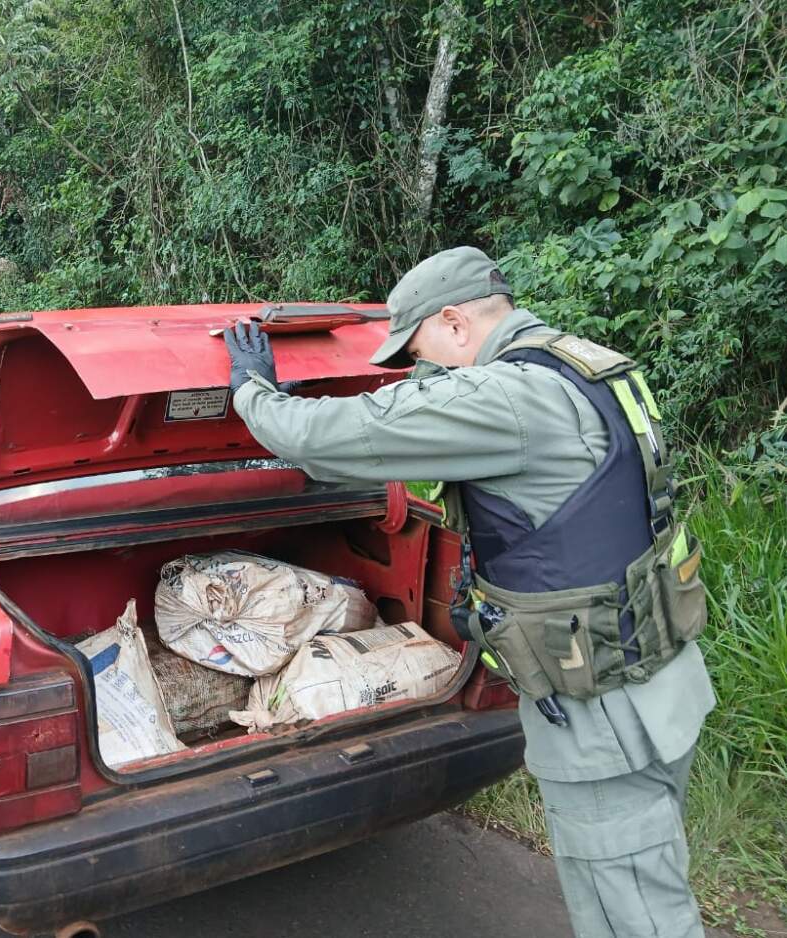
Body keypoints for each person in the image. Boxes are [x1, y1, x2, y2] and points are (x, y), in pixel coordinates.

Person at [224, 246, 715, 938]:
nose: (426, 372)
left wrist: (253, 391)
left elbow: (325, 440)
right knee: (651, 877)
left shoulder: (505, 396)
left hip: (602, 716)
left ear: (456, 322)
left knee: (634, 918)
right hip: (662, 688)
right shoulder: (593, 366)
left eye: (422, 351)